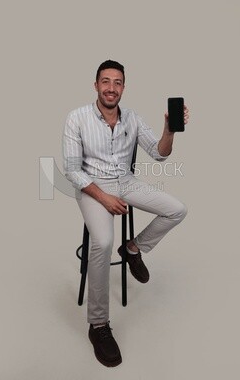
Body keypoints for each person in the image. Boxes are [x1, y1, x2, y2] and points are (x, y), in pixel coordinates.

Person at [62, 60, 189, 367]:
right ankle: (99, 325)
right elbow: (70, 170)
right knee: (102, 242)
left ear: (123, 87)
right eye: (105, 81)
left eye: (117, 82)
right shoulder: (77, 118)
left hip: (126, 183)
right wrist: (104, 198)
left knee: (177, 210)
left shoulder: (131, 117)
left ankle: (133, 248)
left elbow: (160, 154)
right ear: (95, 85)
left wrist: (169, 130)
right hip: (93, 186)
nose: (111, 88)